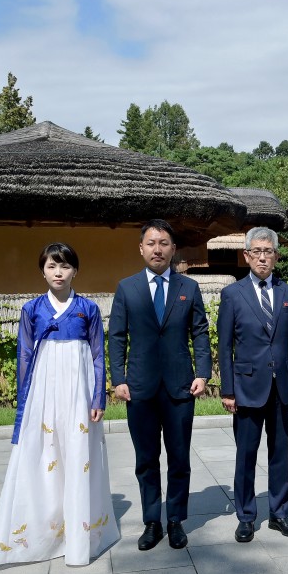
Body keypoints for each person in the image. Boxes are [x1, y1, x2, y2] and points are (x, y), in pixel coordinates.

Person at [0, 242, 120, 566]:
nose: (58, 272)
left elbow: (97, 355)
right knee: (43, 454)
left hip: (78, 392)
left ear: (75, 270)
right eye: (51, 266)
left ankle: (80, 535)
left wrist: (98, 396)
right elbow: (24, 356)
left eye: (64, 266)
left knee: (78, 456)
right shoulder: (32, 309)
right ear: (42, 270)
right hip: (43, 394)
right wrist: (24, 404)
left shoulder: (87, 309)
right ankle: (45, 531)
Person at [108, 219, 211, 551]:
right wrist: (119, 379)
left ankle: (176, 519)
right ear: (141, 248)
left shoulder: (188, 288)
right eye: (151, 243)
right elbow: (117, 337)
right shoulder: (127, 287)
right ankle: (152, 521)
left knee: (179, 458)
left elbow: (200, 332)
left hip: (181, 386)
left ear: (173, 248)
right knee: (146, 459)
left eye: (164, 243)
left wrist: (202, 372)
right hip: (139, 387)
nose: (157, 249)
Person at [217, 226, 288, 542]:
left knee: (280, 452)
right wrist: (227, 389)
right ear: (246, 255)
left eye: (269, 251)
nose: (263, 257)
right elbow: (224, 346)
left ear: (276, 256)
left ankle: (280, 514)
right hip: (246, 387)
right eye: (257, 251)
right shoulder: (232, 294)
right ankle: (245, 515)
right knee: (246, 454)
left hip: (281, 387)